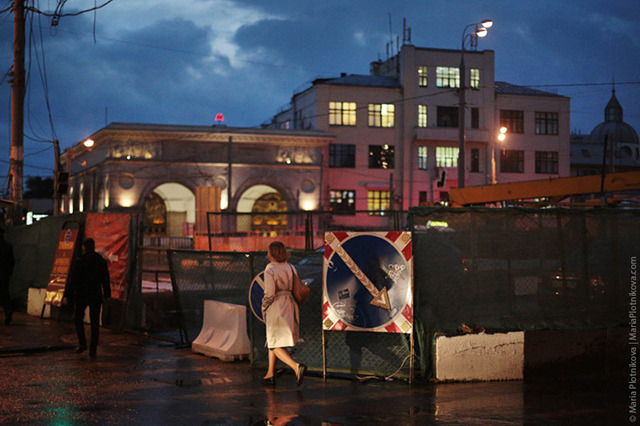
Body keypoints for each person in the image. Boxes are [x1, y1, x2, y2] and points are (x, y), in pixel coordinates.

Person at [261, 241, 306, 386]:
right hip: (289, 303)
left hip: (276, 305)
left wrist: (264, 306)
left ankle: (296, 366)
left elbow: (269, 293)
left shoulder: (270, 269)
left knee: (274, 343)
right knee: (273, 339)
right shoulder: (290, 267)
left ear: (272, 253)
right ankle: (270, 373)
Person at [64, 238, 110, 359]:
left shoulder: (81, 261)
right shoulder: (100, 261)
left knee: (78, 318)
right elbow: (105, 279)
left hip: (82, 294)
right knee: (95, 323)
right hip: (95, 293)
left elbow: (73, 279)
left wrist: (67, 295)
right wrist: (107, 294)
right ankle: (92, 349)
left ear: (84, 247)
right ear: (94, 246)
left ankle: (82, 343)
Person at [0, 228, 15, 325]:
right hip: (4, 275)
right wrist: (9, 272)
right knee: (4, 295)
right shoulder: (8, 247)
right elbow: (12, 262)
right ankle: (8, 313)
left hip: (4, 273)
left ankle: (8, 313)